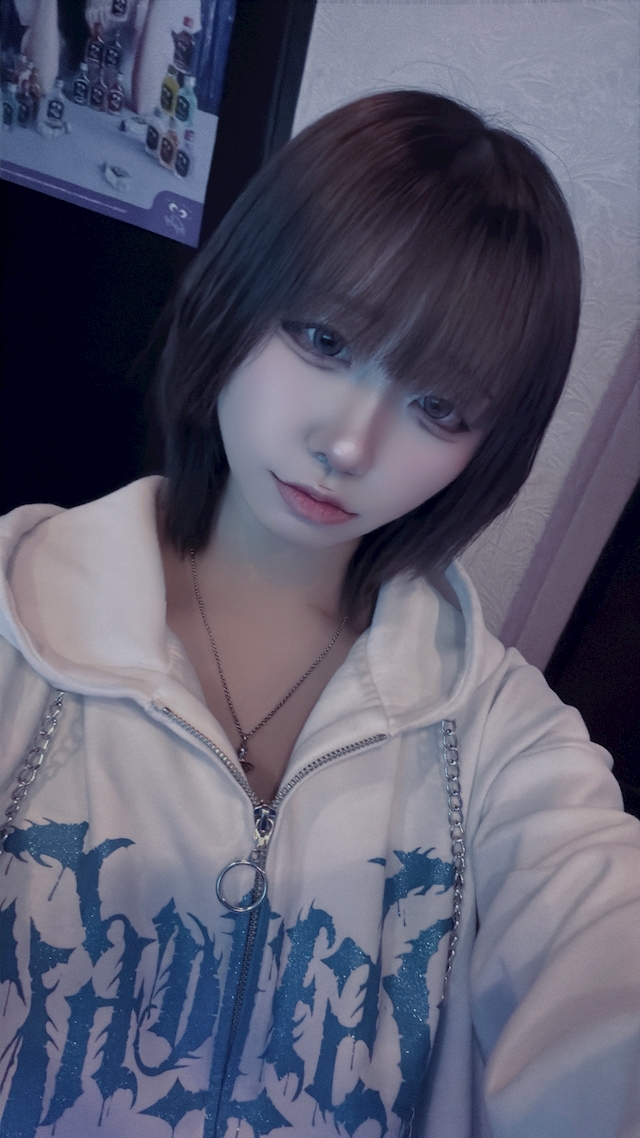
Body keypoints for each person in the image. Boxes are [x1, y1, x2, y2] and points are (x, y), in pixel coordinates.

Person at [0, 91, 638, 1138]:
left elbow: (603, 961)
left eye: (438, 406)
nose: (349, 444)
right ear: (239, 294)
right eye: (323, 337)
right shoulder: (18, 622)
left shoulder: (498, 736)